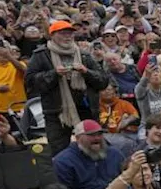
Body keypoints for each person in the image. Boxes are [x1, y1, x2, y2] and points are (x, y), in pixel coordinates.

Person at [25, 21, 109, 153]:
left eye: (70, 33)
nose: (68, 37)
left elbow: (103, 81)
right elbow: (30, 82)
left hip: (86, 110)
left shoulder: (84, 55)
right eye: (63, 33)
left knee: (94, 148)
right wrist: (54, 74)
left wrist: (86, 72)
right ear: (52, 35)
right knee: (59, 151)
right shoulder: (41, 55)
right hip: (56, 112)